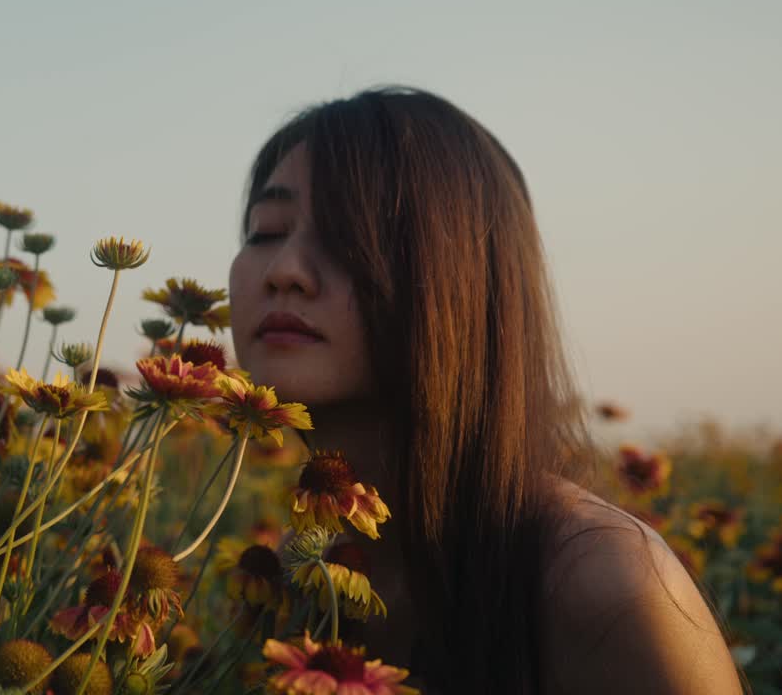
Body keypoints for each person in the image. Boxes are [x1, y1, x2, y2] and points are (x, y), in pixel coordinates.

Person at [227, 87, 744, 695]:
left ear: (460, 279)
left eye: (347, 235)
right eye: (267, 229)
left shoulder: (601, 579)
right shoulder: (297, 572)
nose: (285, 268)